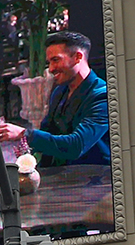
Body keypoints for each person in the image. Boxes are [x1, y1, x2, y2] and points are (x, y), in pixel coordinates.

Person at [22, 30, 111, 167]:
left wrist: (24, 134)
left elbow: (76, 145)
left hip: (95, 179)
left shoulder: (102, 96)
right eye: (49, 63)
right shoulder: (59, 91)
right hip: (62, 175)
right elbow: (47, 134)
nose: (51, 69)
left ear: (77, 57)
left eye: (55, 60)